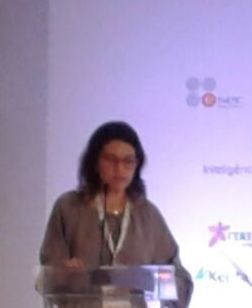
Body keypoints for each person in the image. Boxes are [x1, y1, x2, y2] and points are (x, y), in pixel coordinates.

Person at [39, 121, 193, 307]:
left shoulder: (148, 215)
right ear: (95, 163)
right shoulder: (69, 207)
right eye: (110, 160)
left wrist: (148, 280)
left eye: (128, 161)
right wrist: (64, 274)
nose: (120, 169)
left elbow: (180, 281)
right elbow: (48, 276)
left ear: (137, 165)